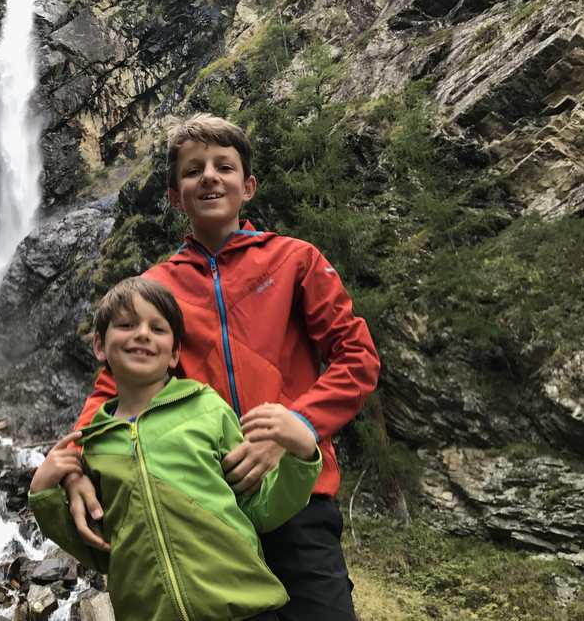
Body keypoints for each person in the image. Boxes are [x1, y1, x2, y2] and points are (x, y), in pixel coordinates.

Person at [64, 114, 381, 621]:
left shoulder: (294, 260)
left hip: (299, 496)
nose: (209, 176)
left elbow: (357, 356)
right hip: (208, 508)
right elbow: (111, 388)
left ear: (248, 185)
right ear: (174, 195)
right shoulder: (155, 287)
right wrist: (74, 461)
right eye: (193, 171)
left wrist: (296, 426)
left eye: (223, 166)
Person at [29, 277, 321, 621]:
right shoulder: (94, 443)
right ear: (99, 346)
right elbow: (100, 549)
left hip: (243, 609)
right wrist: (43, 493)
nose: (142, 334)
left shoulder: (208, 410)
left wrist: (303, 455)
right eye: (126, 324)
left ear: (175, 353)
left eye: (158, 328)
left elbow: (259, 507)